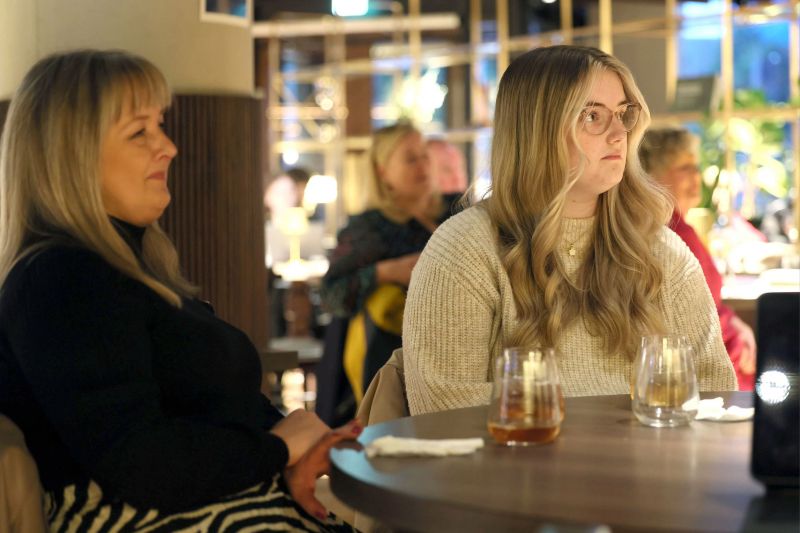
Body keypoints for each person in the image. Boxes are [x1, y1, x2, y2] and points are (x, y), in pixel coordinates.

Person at [0, 50, 359, 532]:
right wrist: (278, 448)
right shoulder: (62, 277)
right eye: (139, 132)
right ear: (72, 158)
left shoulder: (121, 268)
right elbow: (137, 460)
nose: (168, 147)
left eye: (160, 125)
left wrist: (296, 448)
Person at [403, 45, 737, 415]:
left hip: (651, 468)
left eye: (623, 114)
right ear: (537, 131)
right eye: (592, 116)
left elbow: (714, 390)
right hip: (515, 470)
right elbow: (444, 410)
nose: (617, 134)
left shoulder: (660, 249)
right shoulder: (463, 248)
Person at [319, 122, 459, 407]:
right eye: (410, 159)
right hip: (393, 359)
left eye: (425, 155)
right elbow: (331, 295)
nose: (423, 165)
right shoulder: (368, 228)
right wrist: (387, 271)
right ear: (382, 172)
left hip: (455, 343)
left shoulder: (456, 208)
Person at [640, 127, 757, 390]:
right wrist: (736, 329)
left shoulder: (680, 228)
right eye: (683, 167)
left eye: (695, 166)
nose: (696, 175)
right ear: (652, 177)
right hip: (701, 373)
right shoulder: (669, 236)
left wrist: (733, 321)